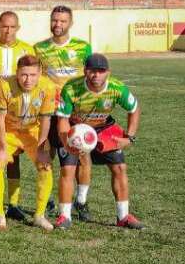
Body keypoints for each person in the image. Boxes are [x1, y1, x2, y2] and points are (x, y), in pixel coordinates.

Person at [53, 53, 143, 230]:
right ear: (85, 71)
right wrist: (66, 142)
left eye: (101, 71)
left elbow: (134, 108)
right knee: (68, 169)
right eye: (92, 71)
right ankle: (64, 216)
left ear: (108, 72)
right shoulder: (71, 88)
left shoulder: (117, 88)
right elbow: (62, 119)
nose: (96, 75)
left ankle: (123, 216)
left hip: (103, 128)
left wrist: (129, 137)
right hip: (75, 128)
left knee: (120, 167)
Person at [35, 5, 94, 220]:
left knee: (82, 154)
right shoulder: (40, 48)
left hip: (76, 111)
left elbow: (90, 76)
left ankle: (81, 201)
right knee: (46, 155)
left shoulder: (82, 47)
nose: (57, 24)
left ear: (70, 23)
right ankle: (48, 199)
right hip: (50, 110)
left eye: (62, 21)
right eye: (54, 20)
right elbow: (37, 79)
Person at [0, 55, 56, 232]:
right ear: (17, 73)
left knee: (45, 166)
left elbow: (45, 120)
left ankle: (39, 215)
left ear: (40, 73)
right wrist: (3, 147)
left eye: (33, 75)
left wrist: (42, 148)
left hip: (31, 132)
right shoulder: (4, 85)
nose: (28, 80)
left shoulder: (48, 87)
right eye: (24, 75)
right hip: (8, 131)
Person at [0, 11, 36, 220]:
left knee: (14, 159)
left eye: (12, 27)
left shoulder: (27, 49)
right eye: (4, 26)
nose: (8, 30)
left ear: (18, 28)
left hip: (16, 113)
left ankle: (13, 203)